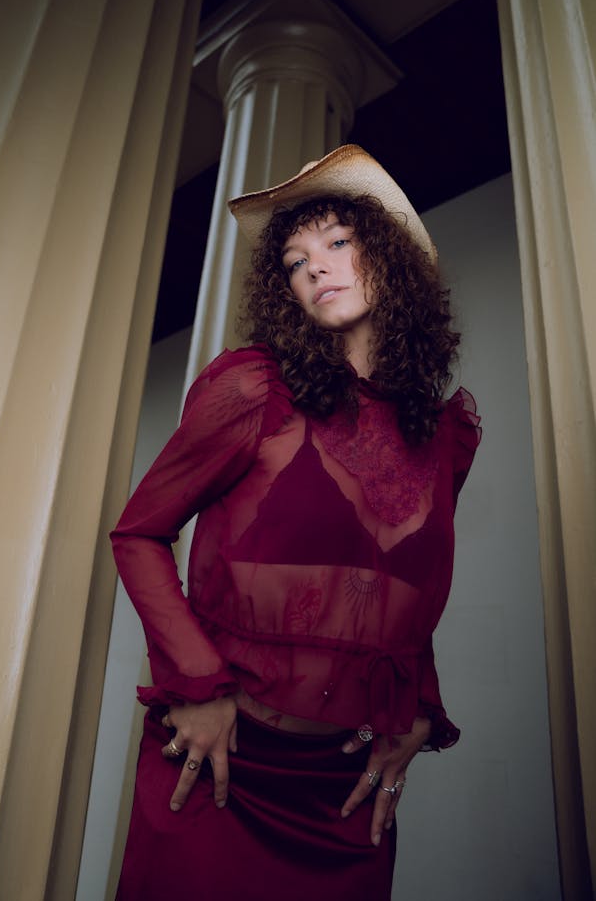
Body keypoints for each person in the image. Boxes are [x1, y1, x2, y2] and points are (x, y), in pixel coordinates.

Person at [110, 144, 481, 901]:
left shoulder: (445, 438)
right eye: (294, 260)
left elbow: (401, 586)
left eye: (338, 243)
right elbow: (139, 534)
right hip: (220, 768)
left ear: (387, 258)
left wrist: (420, 706)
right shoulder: (254, 390)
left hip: (342, 797)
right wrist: (198, 687)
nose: (316, 267)